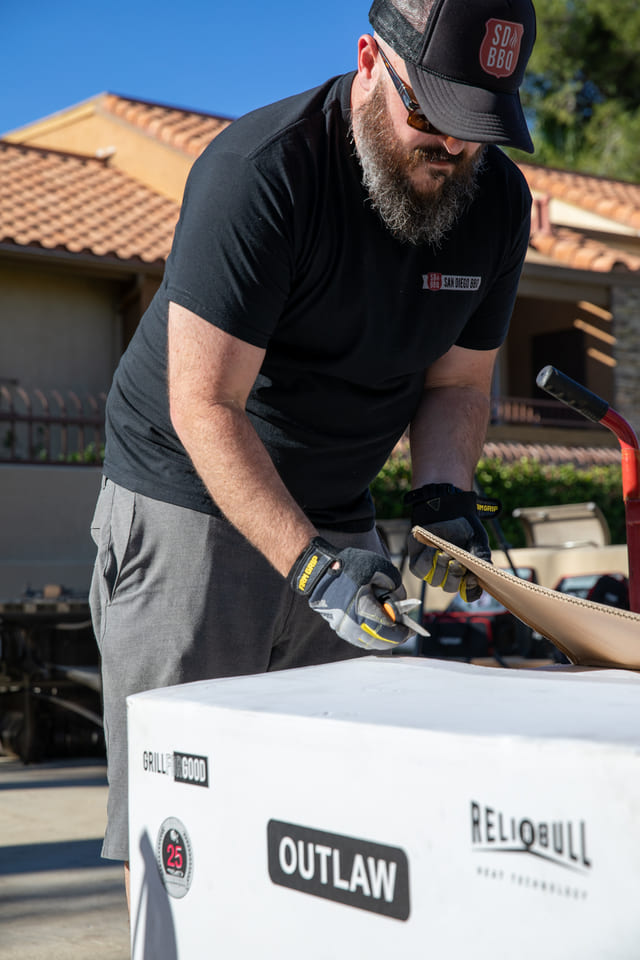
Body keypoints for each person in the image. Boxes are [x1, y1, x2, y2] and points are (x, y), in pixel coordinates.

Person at [89, 0, 536, 895]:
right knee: (187, 826)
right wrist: (312, 569)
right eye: (431, 117)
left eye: (476, 130)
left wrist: (443, 500)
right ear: (371, 59)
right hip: (192, 496)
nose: (452, 149)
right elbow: (205, 403)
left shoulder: (497, 205)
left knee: (337, 818)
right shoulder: (262, 172)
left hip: (341, 508)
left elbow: (454, 384)